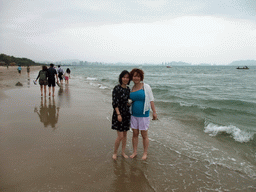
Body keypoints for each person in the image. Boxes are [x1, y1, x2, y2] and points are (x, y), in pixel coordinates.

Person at [129, 68, 157, 160]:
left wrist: (154, 112)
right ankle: (135, 152)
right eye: (134, 76)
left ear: (141, 77)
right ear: (131, 77)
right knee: (135, 134)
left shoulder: (146, 87)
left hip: (144, 115)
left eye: (138, 76)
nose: (136, 78)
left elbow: (151, 99)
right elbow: (130, 101)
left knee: (144, 135)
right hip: (133, 115)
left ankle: (145, 153)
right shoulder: (131, 88)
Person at [111, 70, 131, 160]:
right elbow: (115, 103)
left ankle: (123, 152)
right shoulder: (117, 88)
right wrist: (118, 114)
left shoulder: (128, 89)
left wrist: (129, 103)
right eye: (124, 77)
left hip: (126, 113)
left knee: (125, 135)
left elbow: (127, 102)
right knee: (120, 136)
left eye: (127, 77)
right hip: (118, 114)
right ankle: (115, 153)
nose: (125, 79)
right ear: (121, 78)